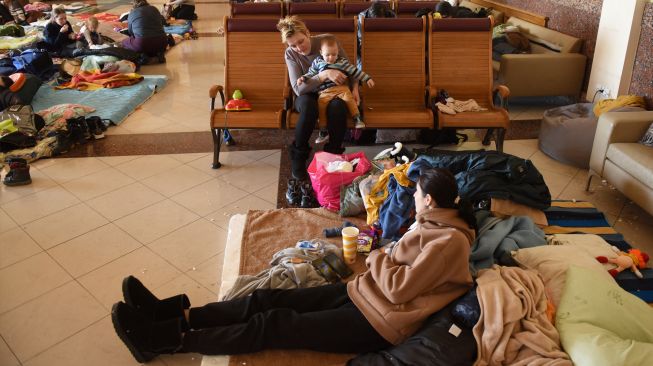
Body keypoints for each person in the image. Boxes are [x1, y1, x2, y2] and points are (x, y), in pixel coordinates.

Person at [111, 167, 477, 362]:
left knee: (274, 324)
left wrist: (379, 255)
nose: (411, 198)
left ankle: (164, 340)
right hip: (362, 293)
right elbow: (396, 270)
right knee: (265, 299)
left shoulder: (448, 242)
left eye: (415, 194)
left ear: (428, 199)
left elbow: (400, 288)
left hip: (379, 321)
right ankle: (172, 314)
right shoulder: (433, 224)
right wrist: (385, 253)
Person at [277, 16, 351, 182]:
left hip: (332, 90)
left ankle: (333, 155)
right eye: (293, 45)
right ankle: (299, 157)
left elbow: (349, 69)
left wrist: (355, 91)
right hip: (306, 95)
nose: (298, 48)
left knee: (338, 106)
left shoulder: (328, 41)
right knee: (309, 107)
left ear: (308, 33)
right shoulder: (290, 54)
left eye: (301, 41)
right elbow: (298, 88)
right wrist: (323, 75)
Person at [298, 36, 374, 131]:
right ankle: (323, 129)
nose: (331, 58)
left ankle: (357, 118)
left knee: (349, 99)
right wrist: (303, 78)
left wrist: (367, 78)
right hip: (325, 91)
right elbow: (311, 73)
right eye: (328, 55)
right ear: (321, 52)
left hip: (341, 89)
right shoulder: (317, 62)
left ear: (338, 52)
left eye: (334, 54)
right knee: (321, 107)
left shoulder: (342, 62)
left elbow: (354, 71)